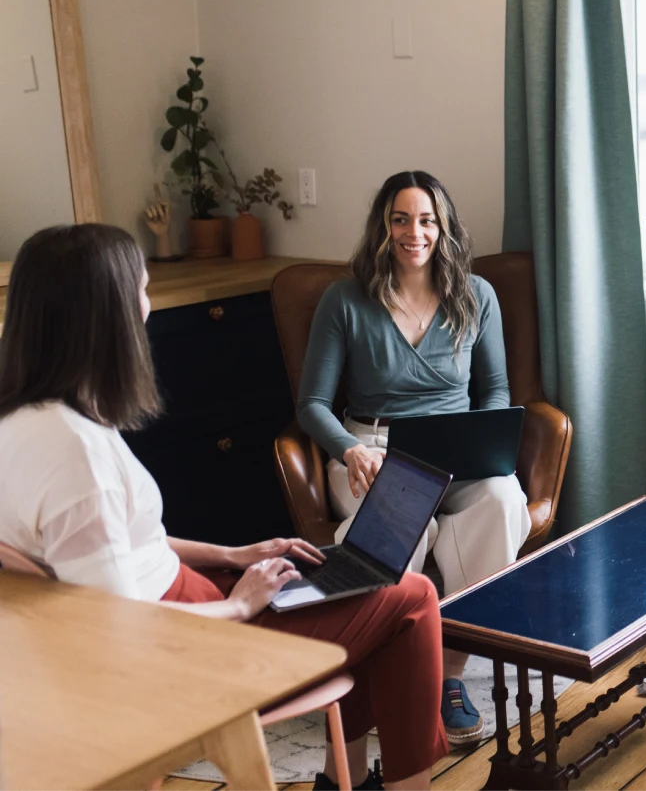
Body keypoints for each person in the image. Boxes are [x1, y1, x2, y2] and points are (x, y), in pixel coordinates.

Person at [0, 224, 446, 791]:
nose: (147, 305)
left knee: (348, 579)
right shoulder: (77, 455)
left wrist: (232, 554)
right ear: (105, 315)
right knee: (411, 598)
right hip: (187, 648)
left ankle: (344, 781)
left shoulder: (23, 423)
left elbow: (116, 545)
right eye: (140, 290)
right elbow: (119, 633)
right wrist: (238, 609)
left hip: (180, 604)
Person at [296, 170, 528, 745]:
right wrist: (348, 450)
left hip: (457, 449)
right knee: (400, 521)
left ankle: (449, 676)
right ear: (384, 226)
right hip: (373, 450)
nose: (413, 232)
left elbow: (495, 387)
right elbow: (313, 404)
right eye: (401, 218)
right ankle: (380, 668)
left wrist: (483, 439)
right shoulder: (345, 299)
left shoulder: (477, 295)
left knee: (502, 501)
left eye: (426, 219)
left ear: (443, 227)